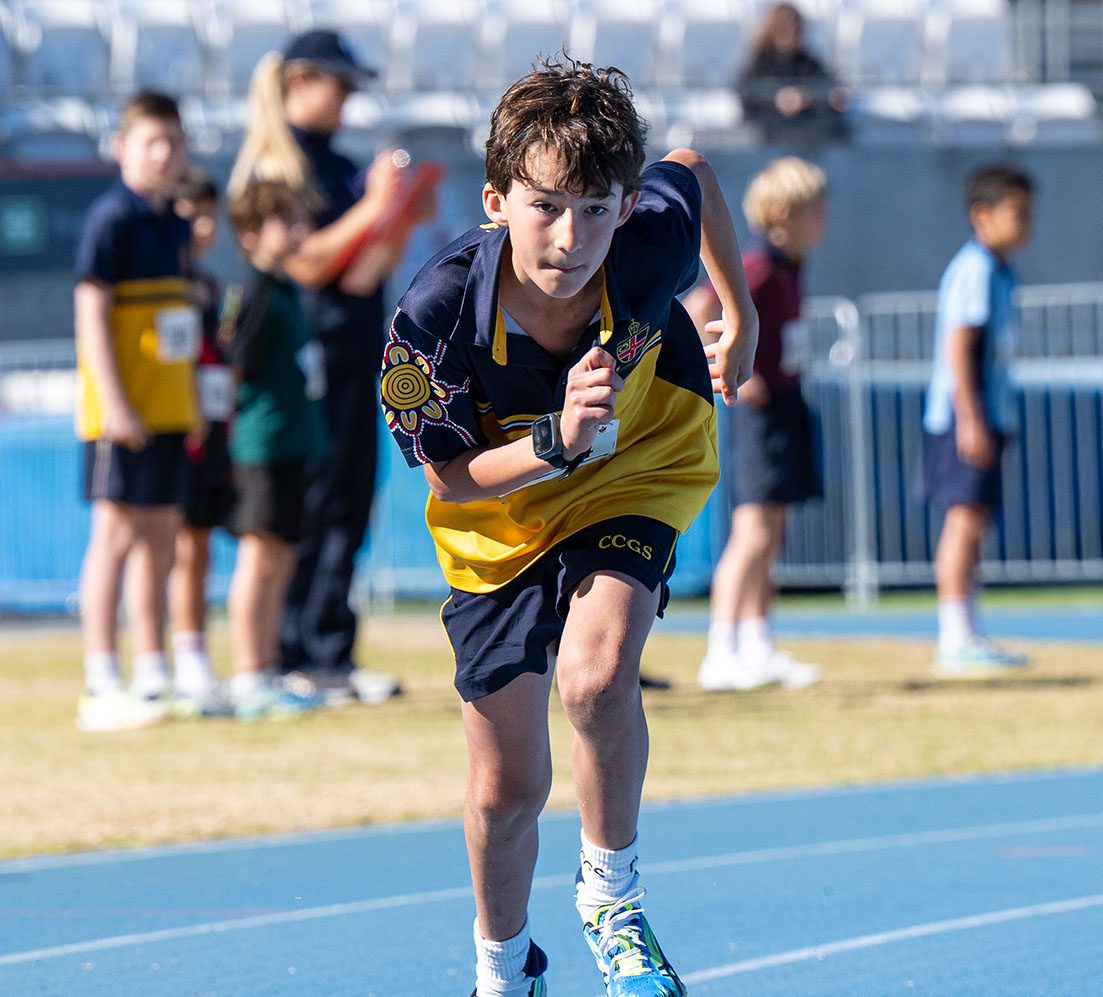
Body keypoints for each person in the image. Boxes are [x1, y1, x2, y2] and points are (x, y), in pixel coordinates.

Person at [380, 55, 757, 997]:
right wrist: (554, 438)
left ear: (625, 209)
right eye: (546, 206)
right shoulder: (428, 323)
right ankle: (505, 967)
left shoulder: (641, 242)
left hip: (640, 466)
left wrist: (738, 311)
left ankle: (612, 899)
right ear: (497, 201)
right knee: (503, 795)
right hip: (499, 517)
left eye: (596, 209)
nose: (571, 236)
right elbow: (452, 475)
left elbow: (694, 170)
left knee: (594, 675)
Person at [230, 29, 436, 705]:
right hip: (300, 362)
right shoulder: (279, 169)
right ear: (299, 81)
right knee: (308, 505)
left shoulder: (336, 165)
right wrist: (377, 206)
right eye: (338, 84)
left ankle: (330, 649)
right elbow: (304, 262)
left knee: (348, 499)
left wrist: (400, 217)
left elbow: (356, 277)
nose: (346, 99)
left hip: (350, 350)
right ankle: (292, 649)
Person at [73, 90, 196, 732]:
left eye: (174, 141)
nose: (165, 153)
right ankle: (101, 678)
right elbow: (90, 314)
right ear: (122, 147)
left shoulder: (173, 222)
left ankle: (153, 672)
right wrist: (115, 402)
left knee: (161, 542)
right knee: (114, 539)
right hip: (118, 416)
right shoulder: (110, 220)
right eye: (153, 141)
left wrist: (192, 402)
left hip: (170, 411)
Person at [688, 156, 826, 693]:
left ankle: (757, 642)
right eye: (815, 209)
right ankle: (720, 650)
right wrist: (734, 374)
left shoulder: (792, 267)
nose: (825, 219)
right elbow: (701, 306)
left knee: (774, 532)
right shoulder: (757, 266)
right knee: (751, 532)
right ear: (784, 214)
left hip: (788, 410)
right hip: (759, 416)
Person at [223, 179, 330, 721]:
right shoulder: (254, 292)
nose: (299, 231)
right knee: (259, 556)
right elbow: (232, 366)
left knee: (283, 557)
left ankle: (266, 669)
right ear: (250, 233)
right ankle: (247, 674)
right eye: (285, 221)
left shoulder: (286, 287)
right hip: (260, 445)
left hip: (295, 442)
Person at [921, 164, 1033, 676]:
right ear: (982, 216)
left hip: (990, 413)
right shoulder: (975, 268)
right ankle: (954, 636)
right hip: (965, 417)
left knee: (976, 521)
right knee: (963, 521)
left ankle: (969, 627)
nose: (1028, 223)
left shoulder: (1000, 268)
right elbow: (960, 347)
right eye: (1018, 212)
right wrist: (971, 418)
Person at [166, 165, 236, 716]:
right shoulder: (166, 281)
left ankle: (194, 653)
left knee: (201, 547)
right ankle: (179, 658)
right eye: (195, 215)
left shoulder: (208, 283)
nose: (206, 226)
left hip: (210, 430)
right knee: (180, 550)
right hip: (177, 429)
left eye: (212, 214)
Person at [737, 2, 848, 144]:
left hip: (810, 135)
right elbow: (748, 99)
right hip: (772, 135)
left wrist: (829, 98)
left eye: (797, 31)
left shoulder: (808, 63)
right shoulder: (760, 65)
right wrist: (777, 101)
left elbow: (827, 89)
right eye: (786, 30)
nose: (792, 36)